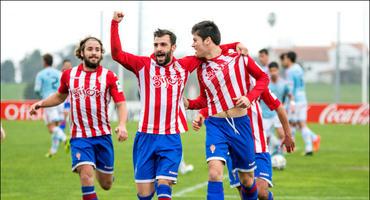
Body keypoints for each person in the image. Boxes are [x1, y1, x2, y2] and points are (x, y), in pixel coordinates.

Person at [111, 11, 246, 200]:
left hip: (170, 138)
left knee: (164, 186)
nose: (159, 48)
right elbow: (117, 54)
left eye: (163, 44)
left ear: (173, 47)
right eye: (156, 44)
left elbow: (211, 48)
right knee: (144, 194)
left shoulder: (184, 65)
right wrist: (114, 24)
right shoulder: (142, 64)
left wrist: (234, 45)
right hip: (145, 137)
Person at [30, 36, 128, 200]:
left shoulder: (109, 76)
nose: (94, 53)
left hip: (102, 136)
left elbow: (120, 103)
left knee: (106, 184)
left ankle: (103, 173)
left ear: (101, 53)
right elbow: (60, 96)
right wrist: (41, 104)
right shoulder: (69, 75)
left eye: (97, 50)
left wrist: (123, 124)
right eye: (90, 49)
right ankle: (89, 166)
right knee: (86, 175)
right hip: (80, 137)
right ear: (81, 52)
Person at [186, 20, 270, 200]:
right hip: (216, 125)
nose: (192, 45)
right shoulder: (200, 66)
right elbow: (205, 99)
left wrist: (249, 97)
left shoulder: (238, 57)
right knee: (214, 173)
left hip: (241, 125)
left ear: (207, 40)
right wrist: (189, 104)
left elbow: (263, 78)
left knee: (247, 180)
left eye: (195, 40)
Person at [280, 51, 321, 155]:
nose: (283, 61)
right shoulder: (299, 68)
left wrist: (290, 101)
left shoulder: (290, 71)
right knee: (297, 123)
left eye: (284, 59)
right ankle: (313, 139)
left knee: (295, 124)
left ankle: (306, 147)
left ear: (289, 59)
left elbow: (290, 87)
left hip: (295, 100)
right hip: (302, 97)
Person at [34, 53, 67, 157]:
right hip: (59, 100)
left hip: (49, 101)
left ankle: (66, 139)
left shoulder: (41, 74)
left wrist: (41, 99)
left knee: (51, 128)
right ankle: (53, 151)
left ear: (44, 62)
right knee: (56, 127)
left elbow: (37, 90)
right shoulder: (59, 73)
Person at [261, 62, 294, 155]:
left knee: (282, 134)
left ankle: (280, 154)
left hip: (277, 113)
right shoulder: (265, 82)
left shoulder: (284, 83)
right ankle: (267, 153)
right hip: (265, 113)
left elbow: (290, 95)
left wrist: (292, 103)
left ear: (278, 71)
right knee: (264, 138)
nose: (273, 73)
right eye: (271, 71)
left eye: (275, 70)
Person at [59, 59, 73, 152]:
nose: (68, 67)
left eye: (69, 65)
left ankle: (69, 137)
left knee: (70, 120)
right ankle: (63, 137)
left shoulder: (73, 75)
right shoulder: (60, 76)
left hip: (71, 101)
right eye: (66, 65)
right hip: (62, 102)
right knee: (63, 120)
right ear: (63, 66)